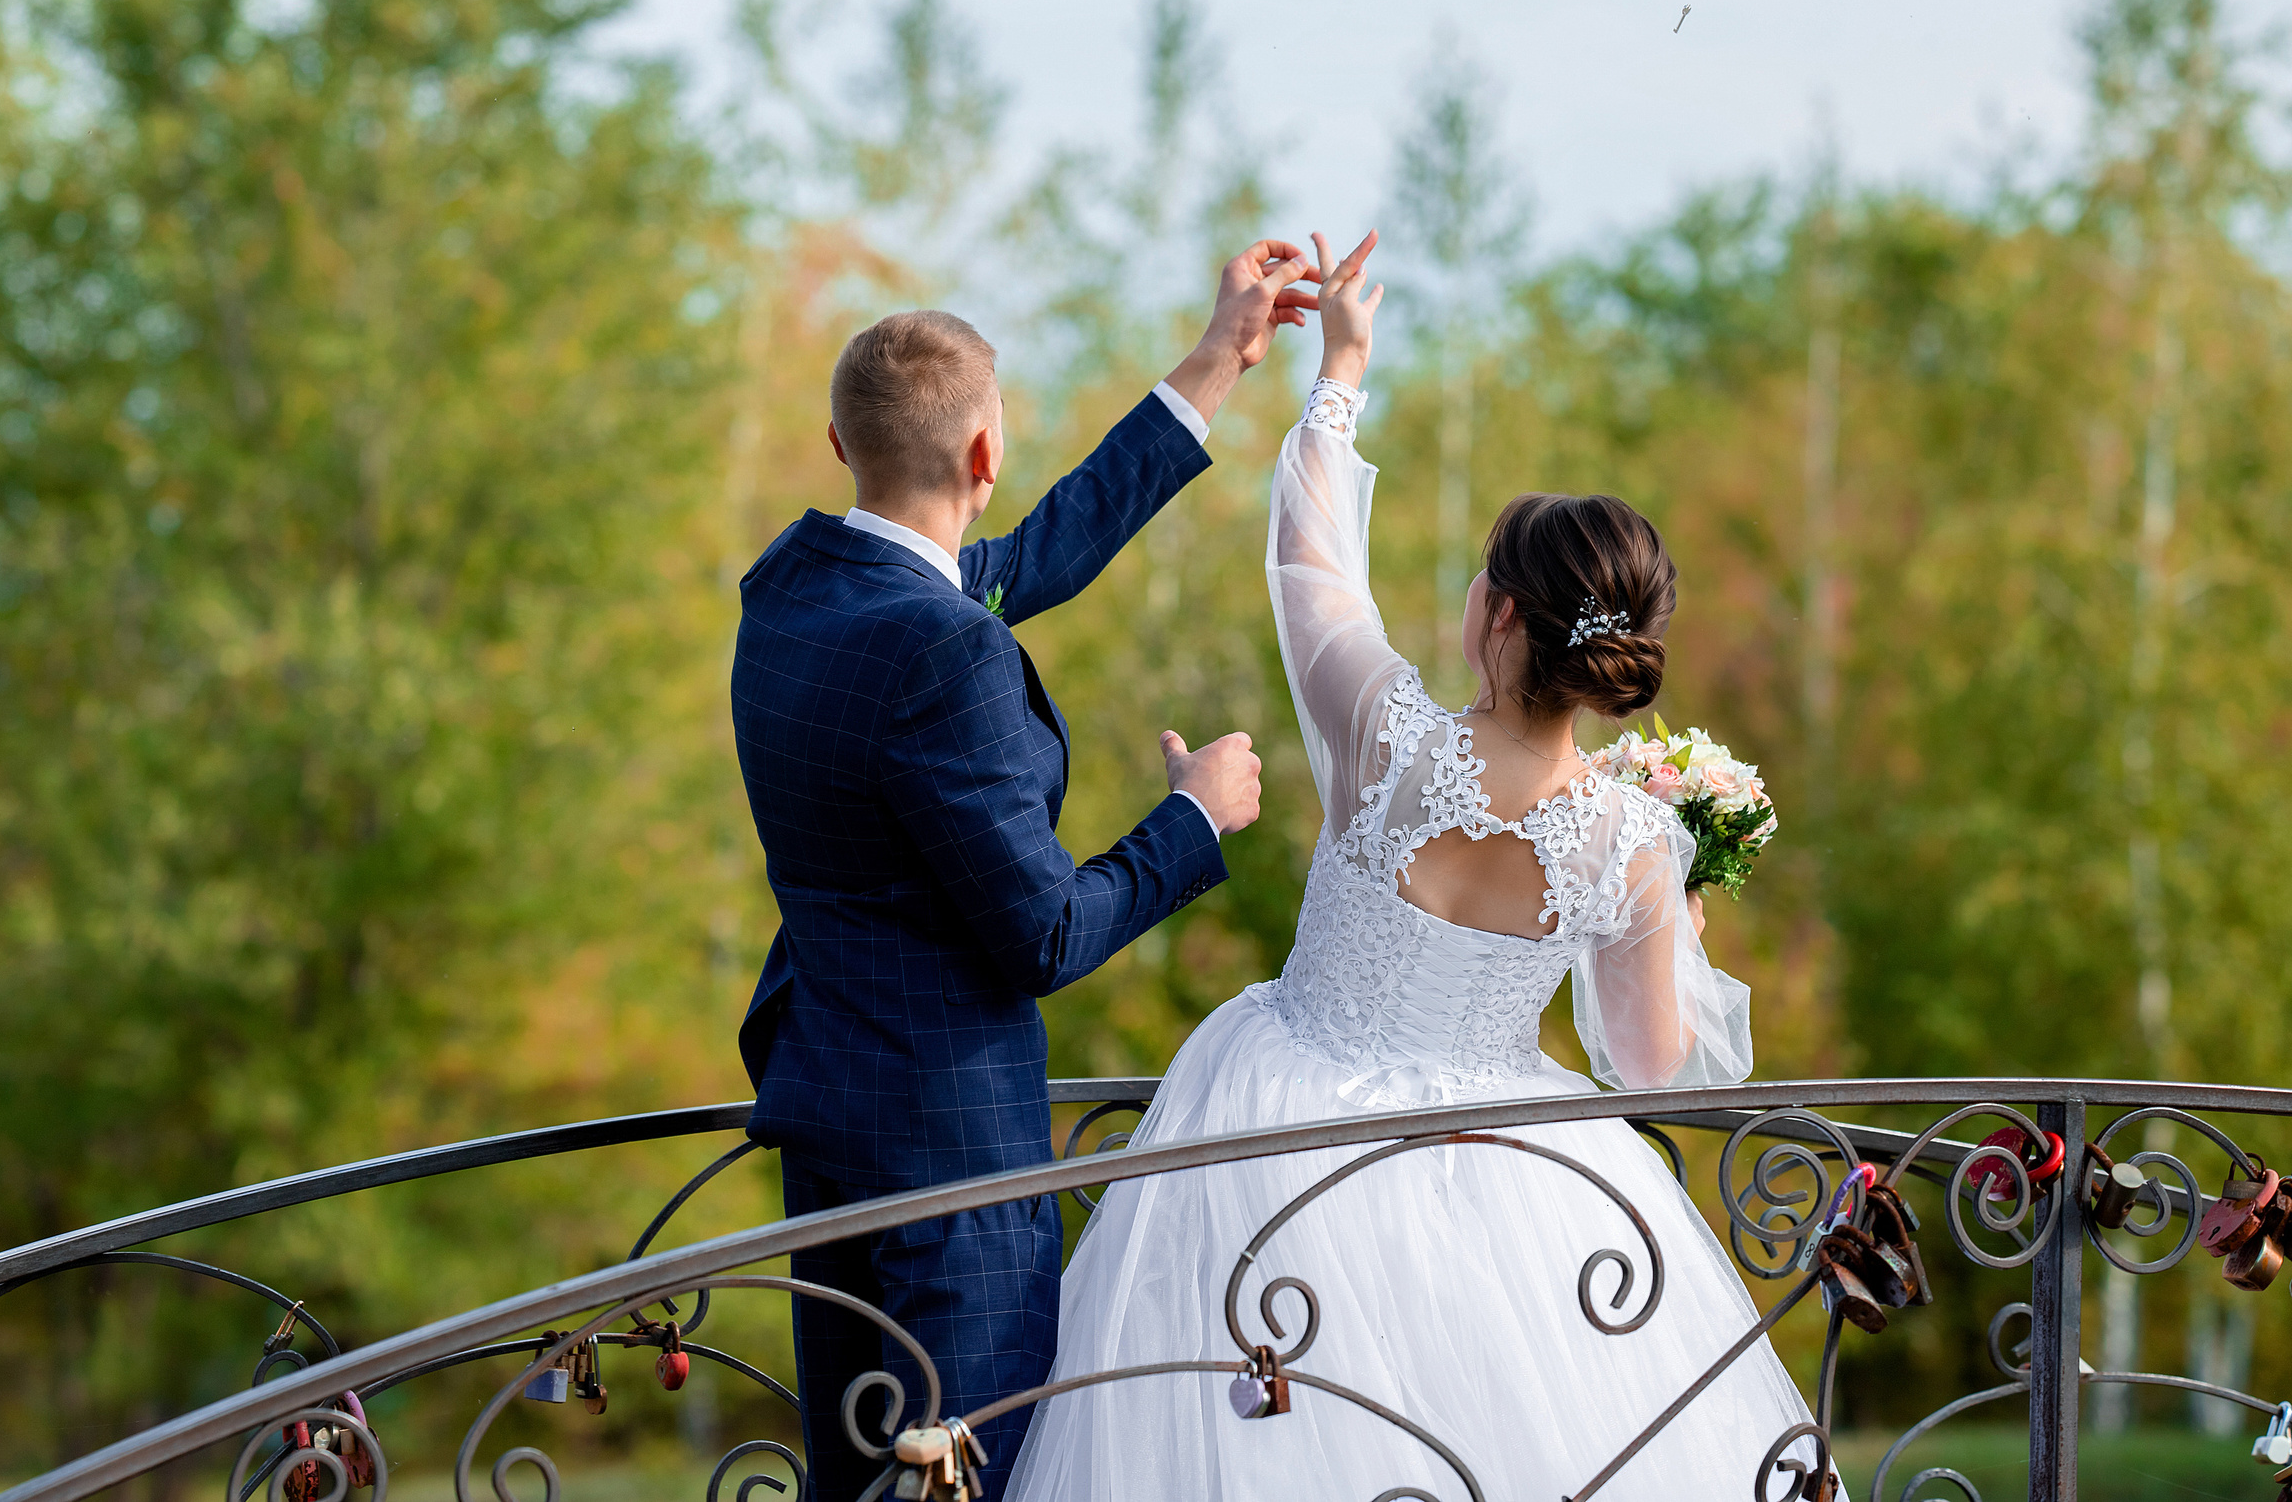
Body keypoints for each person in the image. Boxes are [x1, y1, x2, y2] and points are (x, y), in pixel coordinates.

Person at [1002, 232, 1825, 1500]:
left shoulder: (1383, 739)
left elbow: (1309, 558)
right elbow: (1650, 1066)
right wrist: (1667, 905)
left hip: (1279, 1122)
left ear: (1497, 615)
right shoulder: (1636, 842)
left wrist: (1341, 371)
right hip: (1525, 1182)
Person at [731, 243, 1311, 1499]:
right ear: (985, 454)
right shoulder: (942, 651)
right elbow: (1041, 936)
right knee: (970, 1477)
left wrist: (1217, 360)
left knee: (856, 1483)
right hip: (947, 1162)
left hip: (828, 1119)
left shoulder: (794, 592)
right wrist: (1191, 823)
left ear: (840, 444)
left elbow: (1040, 552)